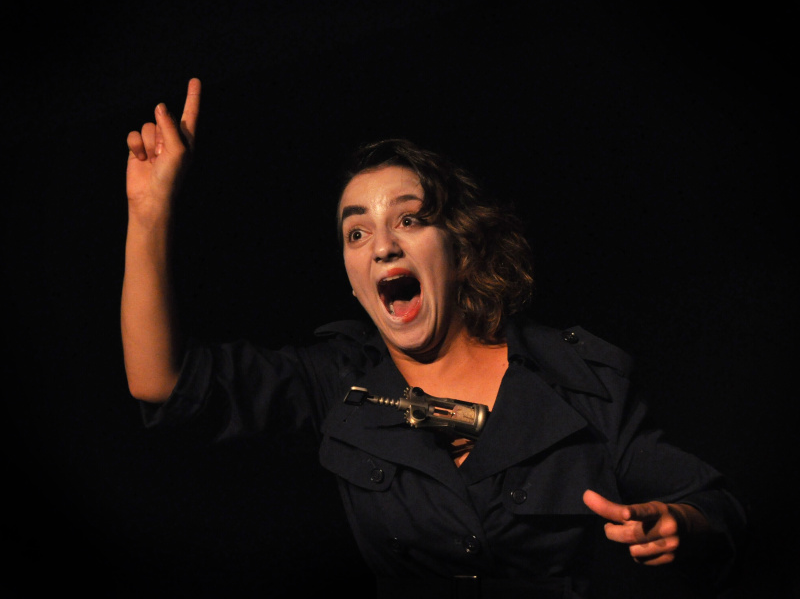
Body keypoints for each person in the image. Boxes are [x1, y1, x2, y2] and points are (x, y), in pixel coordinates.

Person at [123, 78, 747, 598]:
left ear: (462, 249)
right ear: (353, 280)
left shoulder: (577, 381)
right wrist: (149, 213)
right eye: (357, 233)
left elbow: (711, 505)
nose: (383, 245)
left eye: (409, 219)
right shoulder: (338, 383)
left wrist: (679, 523)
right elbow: (161, 382)